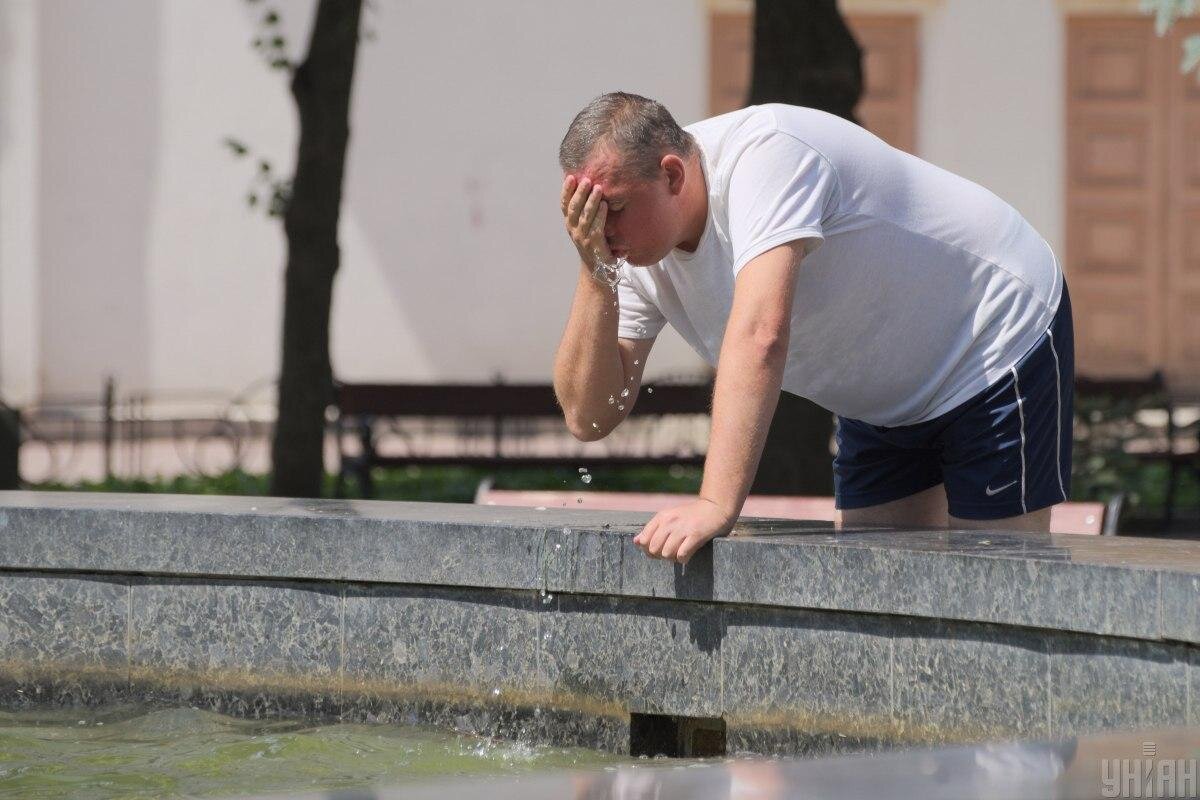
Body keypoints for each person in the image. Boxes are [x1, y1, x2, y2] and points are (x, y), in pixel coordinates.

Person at [553, 92, 1073, 565]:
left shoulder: (767, 155)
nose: (603, 232)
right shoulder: (633, 252)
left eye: (612, 209)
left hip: (993, 337)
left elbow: (761, 336)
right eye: (587, 216)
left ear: (672, 176)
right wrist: (594, 271)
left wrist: (715, 503)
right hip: (881, 395)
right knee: (873, 595)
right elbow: (590, 417)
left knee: (995, 585)